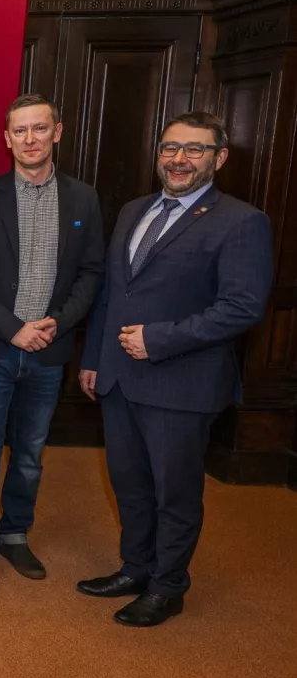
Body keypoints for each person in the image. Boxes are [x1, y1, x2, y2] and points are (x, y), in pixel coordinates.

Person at [77, 112, 272, 627]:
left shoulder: (241, 221)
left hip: (181, 383)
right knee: (130, 485)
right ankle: (136, 567)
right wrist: (95, 359)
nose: (179, 159)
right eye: (170, 148)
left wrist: (158, 340)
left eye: (194, 149)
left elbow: (242, 308)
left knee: (175, 493)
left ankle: (168, 586)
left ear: (219, 157)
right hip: (119, 378)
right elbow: (113, 294)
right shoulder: (134, 210)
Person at [0, 93, 104, 602]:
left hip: (49, 352)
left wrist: (57, 324)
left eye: (39, 129)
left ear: (57, 132)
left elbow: (91, 273)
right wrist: (13, 328)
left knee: (31, 455)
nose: (30, 139)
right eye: (20, 131)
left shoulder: (83, 199)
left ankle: (15, 534)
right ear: (7, 139)